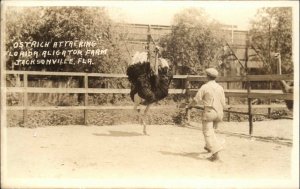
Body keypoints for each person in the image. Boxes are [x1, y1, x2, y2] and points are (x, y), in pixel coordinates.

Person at [188, 68, 226, 162]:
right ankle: (208, 147)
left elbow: (196, 100)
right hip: (219, 113)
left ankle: (215, 154)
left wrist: (189, 106)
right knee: (211, 130)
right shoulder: (220, 87)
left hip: (209, 112)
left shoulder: (205, 87)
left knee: (207, 132)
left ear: (207, 76)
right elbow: (223, 102)